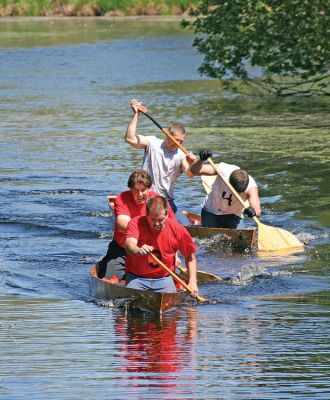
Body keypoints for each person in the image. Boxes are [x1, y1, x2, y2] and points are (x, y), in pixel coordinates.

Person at [98, 169, 176, 280]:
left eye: (143, 190)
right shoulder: (122, 198)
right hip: (122, 250)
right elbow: (122, 224)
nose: (139, 195)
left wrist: (175, 256)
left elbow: (174, 230)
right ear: (130, 189)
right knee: (109, 279)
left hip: (151, 251)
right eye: (135, 190)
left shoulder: (159, 201)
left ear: (150, 188)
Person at [124, 98, 197, 213]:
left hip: (165, 200)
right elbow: (130, 138)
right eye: (175, 140)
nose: (178, 144)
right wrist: (136, 115)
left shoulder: (182, 155)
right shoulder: (152, 143)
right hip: (144, 196)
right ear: (167, 135)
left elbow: (190, 174)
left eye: (181, 141)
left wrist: (194, 163)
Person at [125, 196, 199, 296]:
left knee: (172, 308)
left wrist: (192, 282)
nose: (157, 223)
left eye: (161, 219)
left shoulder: (178, 229)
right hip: (137, 278)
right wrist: (138, 250)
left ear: (167, 215)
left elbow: (190, 256)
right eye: (153, 219)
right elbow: (129, 244)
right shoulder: (136, 223)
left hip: (164, 279)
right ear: (146, 215)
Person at [190, 149, 261, 229]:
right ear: (229, 182)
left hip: (233, 215)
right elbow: (194, 170)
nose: (237, 194)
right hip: (210, 210)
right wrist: (201, 160)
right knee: (210, 239)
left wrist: (253, 212)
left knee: (240, 240)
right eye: (236, 191)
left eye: (240, 192)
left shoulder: (251, 187)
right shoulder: (223, 170)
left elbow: (257, 210)